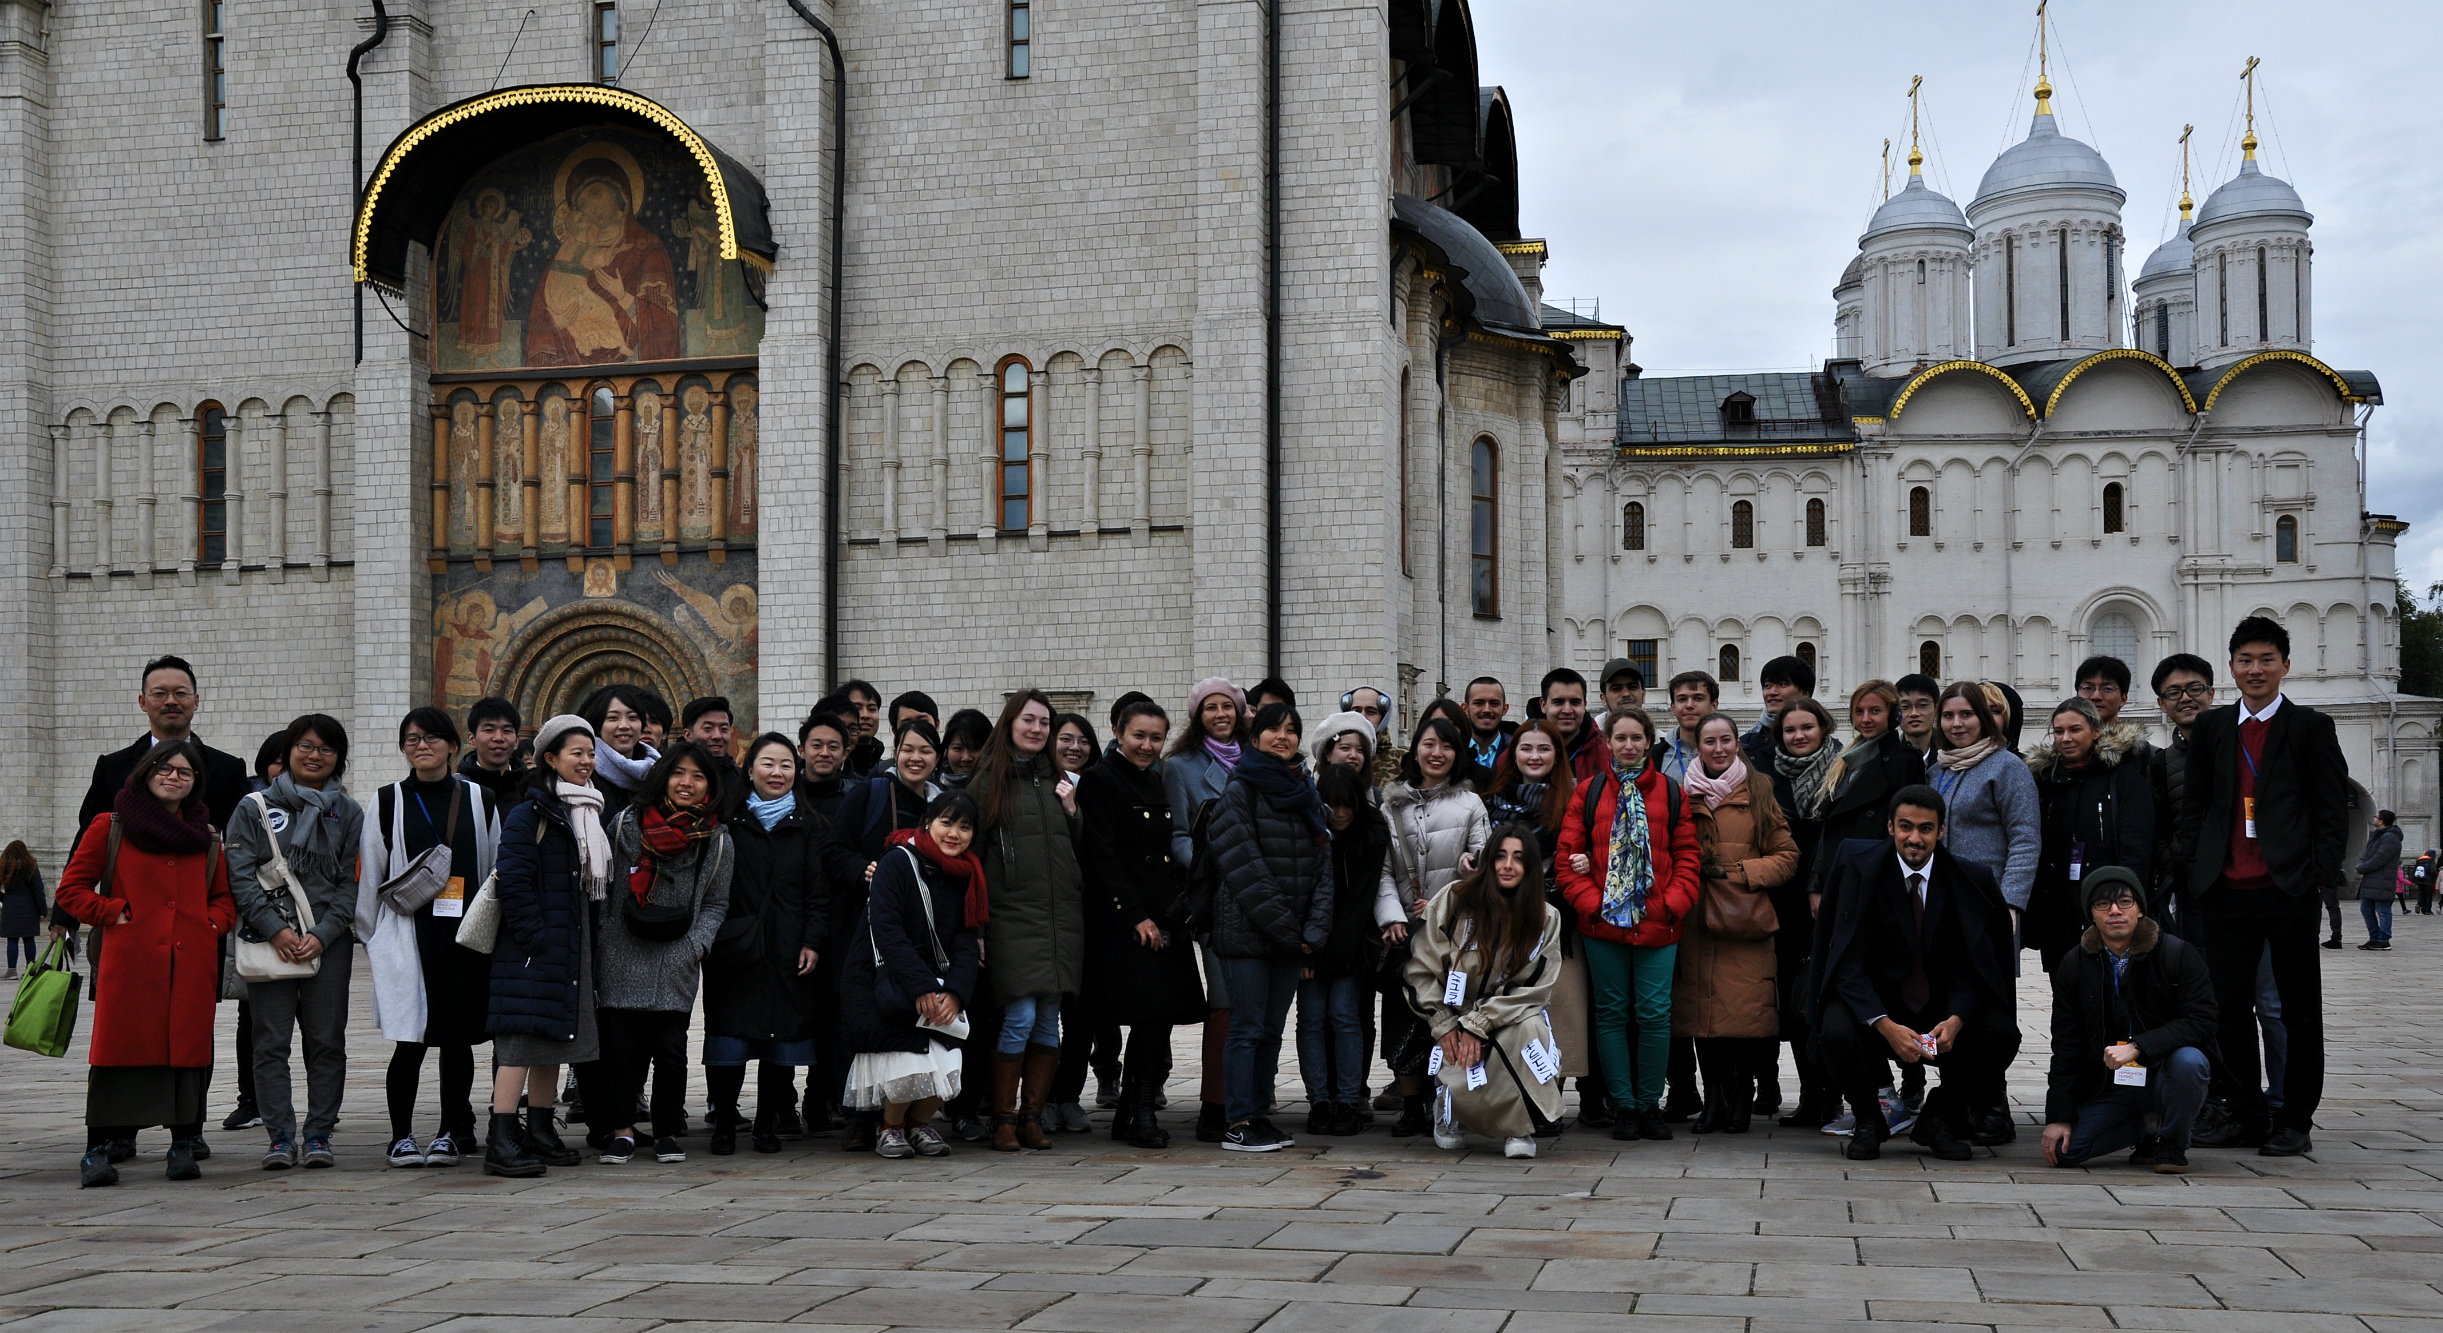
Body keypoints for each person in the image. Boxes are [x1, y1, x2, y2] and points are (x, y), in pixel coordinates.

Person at [55, 739, 236, 1187]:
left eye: (185, 772)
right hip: (131, 961)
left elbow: (224, 899)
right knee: (117, 1054)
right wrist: (113, 912)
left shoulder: (207, 835)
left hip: (190, 961)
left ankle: (182, 1145)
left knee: (187, 1056)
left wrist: (210, 925)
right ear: (145, 771)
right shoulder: (109, 825)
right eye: (165, 768)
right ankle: (97, 1149)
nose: (173, 776)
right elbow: (71, 890)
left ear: (195, 784)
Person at [1807, 786, 2019, 1161]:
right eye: (1906, 827)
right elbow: (1846, 961)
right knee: (1834, 1026)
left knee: (2000, 1032)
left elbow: (1976, 966)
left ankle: (1938, 1118)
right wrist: (1884, 1024)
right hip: (1879, 1008)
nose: (1915, 838)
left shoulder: (1970, 879)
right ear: (1890, 826)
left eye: (1926, 828)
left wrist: (1957, 1018)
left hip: (1939, 1011)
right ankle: (1870, 1120)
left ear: (1942, 831)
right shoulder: (1859, 868)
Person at [357, 708, 503, 1170]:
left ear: (453, 745)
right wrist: (373, 937)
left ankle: (447, 1133)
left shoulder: (481, 799)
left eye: (432, 737)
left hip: (464, 935)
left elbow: (497, 867)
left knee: (457, 1039)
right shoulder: (387, 801)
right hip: (406, 933)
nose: (422, 746)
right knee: (409, 1038)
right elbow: (370, 874)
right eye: (412, 739)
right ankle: (401, 1136)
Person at [225, 713, 364, 1172]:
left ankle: (319, 1134)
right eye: (305, 745)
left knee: (326, 1040)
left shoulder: (348, 812)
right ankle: (280, 1136)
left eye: (326, 749)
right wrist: (277, 930)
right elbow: (240, 878)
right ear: (288, 752)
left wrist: (323, 935)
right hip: (272, 940)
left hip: (329, 941)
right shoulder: (254, 806)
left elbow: (350, 883)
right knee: (270, 1042)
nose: (315, 755)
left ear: (338, 758)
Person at [1555, 707, 1701, 1141]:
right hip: (1604, 925)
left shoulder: (1672, 792)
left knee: (1655, 1015)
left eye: (1637, 738)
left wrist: (1671, 904)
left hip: (1658, 923)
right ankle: (1623, 1106)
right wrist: (1594, 906)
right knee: (1612, 1013)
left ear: (1647, 740)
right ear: (1609, 742)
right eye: (1620, 738)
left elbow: (1689, 856)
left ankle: (1648, 1104)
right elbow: (1568, 860)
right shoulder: (1588, 792)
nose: (1629, 746)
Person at [1074, 700, 1207, 1147]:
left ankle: (1134, 1110)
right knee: (1148, 1016)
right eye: (1139, 736)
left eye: (1156, 737)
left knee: (1161, 1018)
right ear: (1116, 732)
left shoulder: (1156, 779)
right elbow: (1101, 854)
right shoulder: (1099, 780)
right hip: (1124, 920)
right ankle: (1139, 1114)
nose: (1147, 745)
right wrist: (1133, 915)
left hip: (1165, 916)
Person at [483, 716, 607, 1177]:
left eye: (591, 753)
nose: (587, 761)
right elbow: (512, 881)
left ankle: (540, 1130)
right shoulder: (528, 814)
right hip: (532, 949)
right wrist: (537, 940)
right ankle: (501, 1136)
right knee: (519, 1042)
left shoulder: (589, 811)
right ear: (550, 759)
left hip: (570, 948)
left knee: (556, 1040)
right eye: (577, 752)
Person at [599, 740, 733, 1165]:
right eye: (679, 773)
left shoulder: (715, 838)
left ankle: (666, 1132)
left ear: (709, 785)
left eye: (698, 775)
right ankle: (621, 1130)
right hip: (622, 949)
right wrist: (604, 940)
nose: (687, 783)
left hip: (675, 955)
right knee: (619, 1048)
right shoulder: (625, 825)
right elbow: (604, 887)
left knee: (671, 1050)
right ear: (663, 778)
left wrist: (696, 946)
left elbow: (716, 902)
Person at [1206, 702, 1333, 1152]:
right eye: (1273, 729)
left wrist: (1312, 933)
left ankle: (1260, 1114)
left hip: (1290, 938)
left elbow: (1323, 865)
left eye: (1292, 730)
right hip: (1247, 934)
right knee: (1246, 1027)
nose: (1283, 736)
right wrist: (1290, 931)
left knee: (1271, 1031)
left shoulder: (1306, 791)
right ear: (1255, 737)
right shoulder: (1239, 790)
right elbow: (1244, 869)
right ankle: (1238, 1120)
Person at [969, 690, 1087, 1152]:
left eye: (1044, 723)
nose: (1037, 730)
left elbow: (1073, 847)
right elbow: (971, 856)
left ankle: (1031, 1117)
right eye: (1028, 720)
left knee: (1048, 1019)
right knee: (1018, 1015)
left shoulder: (1058, 781)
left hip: (1060, 918)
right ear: (1010, 723)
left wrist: (1074, 812)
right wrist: (976, 927)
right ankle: (1002, 1117)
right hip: (1010, 916)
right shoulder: (988, 780)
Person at [2040, 867, 2218, 1174]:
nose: (2114, 911)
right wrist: (2059, 1116)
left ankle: (2172, 1141)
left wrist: (2139, 1047)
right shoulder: (2075, 964)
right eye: (2102, 905)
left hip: (2165, 1076)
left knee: (2191, 1062)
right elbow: (2066, 1044)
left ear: (2139, 909)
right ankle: (2145, 1130)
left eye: (2124, 902)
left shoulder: (2176, 954)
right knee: (2062, 1152)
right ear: (2091, 914)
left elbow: (2202, 1021)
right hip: (2110, 1086)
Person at [1404, 822, 1564, 1158]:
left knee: (1531, 1028)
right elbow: (1421, 967)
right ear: (1488, 861)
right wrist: (1444, 1023)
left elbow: (1535, 988)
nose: (1508, 865)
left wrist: (1479, 1025)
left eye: (1519, 858)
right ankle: (1449, 1106)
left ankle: (1518, 1126)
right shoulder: (1453, 900)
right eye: (1501, 856)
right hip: (1452, 1015)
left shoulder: (1546, 918)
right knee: (1455, 1053)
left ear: (1531, 868)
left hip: (1507, 1015)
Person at [1926, 681, 2041, 1146]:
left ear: (1985, 718)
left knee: (1993, 1011)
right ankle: (1958, 1102)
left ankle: (1994, 1105)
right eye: (1949, 716)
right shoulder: (1936, 772)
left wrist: (2010, 904)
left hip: (1989, 913)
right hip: (1942, 911)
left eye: (1966, 716)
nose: (1957, 725)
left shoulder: (2007, 767)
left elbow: (2026, 838)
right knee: (1951, 1007)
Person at [1673, 711, 1798, 1135]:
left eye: (1726, 739)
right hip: (1696, 923)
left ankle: (1741, 1099)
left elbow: (1787, 857)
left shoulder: (1759, 789)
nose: (1719, 748)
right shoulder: (1681, 794)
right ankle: (1713, 1102)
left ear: (1736, 742)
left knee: (1742, 1020)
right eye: (1710, 741)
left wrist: (1740, 874)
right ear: (1698, 746)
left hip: (1744, 922)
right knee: (1703, 1019)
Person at [703, 734, 829, 1154]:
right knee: (729, 1038)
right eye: (768, 764)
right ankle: (723, 1122)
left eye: (786, 765)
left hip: (789, 946)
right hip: (736, 947)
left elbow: (818, 891)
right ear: (750, 768)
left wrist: (812, 940)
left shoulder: (809, 823)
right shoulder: (727, 821)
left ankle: (766, 1125)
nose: (778, 773)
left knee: (781, 1039)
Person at [841, 791, 985, 1159]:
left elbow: (967, 942)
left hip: (939, 984)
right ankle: (890, 1127)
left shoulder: (965, 874)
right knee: (904, 1061)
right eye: (946, 823)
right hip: (883, 981)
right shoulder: (897, 862)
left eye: (965, 827)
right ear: (927, 823)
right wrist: (920, 985)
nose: (954, 833)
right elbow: (887, 930)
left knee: (948, 1058)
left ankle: (919, 1125)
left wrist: (956, 993)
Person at [1375, 715, 1492, 1135]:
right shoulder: (1391, 805)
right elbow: (1383, 869)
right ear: (1415, 749)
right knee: (1405, 1014)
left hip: (1455, 932)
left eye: (1446, 746)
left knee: (1452, 1013)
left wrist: (1450, 896)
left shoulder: (1470, 804)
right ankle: (1410, 1104)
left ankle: (1451, 1099)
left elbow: (1484, 865)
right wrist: (1391, 916)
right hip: (1406, 930)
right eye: (1428, 744)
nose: (1436, 753)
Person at [1482, 720, 1601, 1125]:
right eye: (1526, 748)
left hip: (1558, 924)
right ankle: (1518, 1097)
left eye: (1544, 749)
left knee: (1563, 1015)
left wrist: (1589, 864)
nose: (1534, 756)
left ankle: (1553, 1103)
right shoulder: (1492, 802)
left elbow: (1594, 848)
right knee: (1512, 1013)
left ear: (1558, 755)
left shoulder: (1575, 799)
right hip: (1503, 924)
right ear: (1512, 754)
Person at [1164, 675, 1247, 1141]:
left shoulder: (1256, 761)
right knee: (1224, 1005)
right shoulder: (1181, 766)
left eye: (1228, 707)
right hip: (1214, 898)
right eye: (1211, 707)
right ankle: (1213, 1105)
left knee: (1250, 1008)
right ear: (1198, 715)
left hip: (1257, 900)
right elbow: (1177, 834)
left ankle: (1248, 1100)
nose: (1220, 714)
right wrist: (1211, 866)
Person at [70, 656, 252, 861]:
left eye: (181, 693)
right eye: (159, 694)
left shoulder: (228, 769)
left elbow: (244, 843)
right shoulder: (112, 767)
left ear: (196, 701)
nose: (171, 701)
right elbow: (85, 841)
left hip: (200, 886)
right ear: (143, 702)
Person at [2023, 697, 2154, 972]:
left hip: (2109, 906)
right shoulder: (2047, 780)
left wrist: (2127, 898)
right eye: (2058, 732)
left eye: (2075, 730)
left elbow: (2137, 846)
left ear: (2095, 731)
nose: (2066, 738)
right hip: (2059, 911)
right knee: (2065, 993)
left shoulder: (2122, 777)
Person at [1765, 697, 1843, 1127]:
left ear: (1822, 728)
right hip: (1784, 904)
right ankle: (1811, 1094)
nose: (1799, 736)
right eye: (1790, 730)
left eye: (1807, 727)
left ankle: (1832, 1095)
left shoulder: (1842, 770)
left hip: (1826, 902)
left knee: (1821, 1003)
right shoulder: (1770, 778)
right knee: (1795, 1007)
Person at [1297, 763, 1385, 1137]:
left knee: (1345, 1016)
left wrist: (1333, 955)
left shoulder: (1373, 832)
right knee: (1311, 1019)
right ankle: (1319, 1101)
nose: (1341, 813)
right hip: (1308, 946)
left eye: (1347, 804)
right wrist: (1306, 952)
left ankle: (1348, 1101)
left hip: (1351, 949)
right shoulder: (1307, 832)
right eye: (1333, 805)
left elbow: (1361, 903)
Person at [2147, 655, 2216, 944]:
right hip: (2193, 889)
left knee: (2260, 985)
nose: (2185, 698)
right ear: (2162, 704)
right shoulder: (2161, 763)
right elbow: (2160, 827)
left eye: (2195, 689)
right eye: (2174, 693)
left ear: (2211, 693)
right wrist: (2177, 867)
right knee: (2198, 975)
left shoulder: (2240, 746)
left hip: (2248, 886)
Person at [582, 684, 659, 809]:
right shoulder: (586, 773)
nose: (624, 725)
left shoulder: (660, 772)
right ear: (598, 726)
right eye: (613, 718)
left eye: (632, 717)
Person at [1744, 654, 1816, 771]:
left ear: (1804, 693)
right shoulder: (1747, 746)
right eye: (1767, 686)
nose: (1772, 692)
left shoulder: (1829, 747)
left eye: (1782, 684)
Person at [1651, 671, 1719, 786]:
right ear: (1673, 707)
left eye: (1698, 698)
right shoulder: (1654, 757)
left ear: (1714, 705)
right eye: (1682, 699)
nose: (1689, 705)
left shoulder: (1731, 754)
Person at [1540, 669, 1606, 786]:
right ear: (1543, 705)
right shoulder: (1520, 752)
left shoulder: (1608, 750)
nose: (1567, 710)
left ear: (1584, 705)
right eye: (1558, 702)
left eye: (1575, 702)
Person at [458, 696, 528, 805]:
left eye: (507, 731)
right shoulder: (458, 787)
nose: (499, 738)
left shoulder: (531, 788)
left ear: (517, 741)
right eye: (489, 730)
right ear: (472, 740)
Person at [681, 696, 744, 814]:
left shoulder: (741, 780)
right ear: (688, 735)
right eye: (708, 728)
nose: (717, 736)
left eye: (724, 729)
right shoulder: (669, 774)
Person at [2355, 809, 2402, 951]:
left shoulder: (2390, 837)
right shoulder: (2378, 836)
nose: (2374, 818)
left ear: (2381, 821)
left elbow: (2380, 859)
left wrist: (2362, 867)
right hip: (2372, 879)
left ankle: (2383, 939)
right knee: (2366, 910)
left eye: (2376, 817)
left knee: (2383, 909)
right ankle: (2374, 937)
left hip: (2382, 879)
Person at [0, 840, 44, 980]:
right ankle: (29, 969)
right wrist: (42, 909)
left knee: (12, 939)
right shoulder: (31, 865)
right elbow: (38, 889)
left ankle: (11, 970)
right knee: (28, 938)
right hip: (29, 906)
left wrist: (4, 899)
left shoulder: (3, 866)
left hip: (10, 906)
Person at [1308, 710, 1379, 787]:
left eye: (1360, 750)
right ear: (1327, 753)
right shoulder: (1308, 794)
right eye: (1345, 748)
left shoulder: (1378, 797)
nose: (1353, 755)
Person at [836, 679, 887, 776]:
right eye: (857, 708)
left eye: (872, 709)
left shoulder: (887, 772)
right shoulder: (832, 770)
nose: (865, 715)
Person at [1461, 677, 1513, 772]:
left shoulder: (1518, 753)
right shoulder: (1453, 753)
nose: (1487, 710)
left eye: (1494, 704)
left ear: (1505, 709)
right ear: (1465, 709)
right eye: (1479, 703)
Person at [939, 709, 992, 787]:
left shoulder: (1005, 788)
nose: (966, 758)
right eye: (958, 748)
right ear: (946, 751)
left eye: (975, 748)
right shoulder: (927, 789)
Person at [1894, 674, 1940, 763]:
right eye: (1905, 706)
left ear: (1936, 709)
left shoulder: (1953, 754)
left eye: (1922, 705)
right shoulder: (1887, 757)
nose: (1914, 713)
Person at [1595, 658, 1646, 730]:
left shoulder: (1661, 739)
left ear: (1643, 695)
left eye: (1632, 687)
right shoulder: (1588, 739)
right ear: (1603, 698)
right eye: (1616, 689)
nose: (1626, 694)